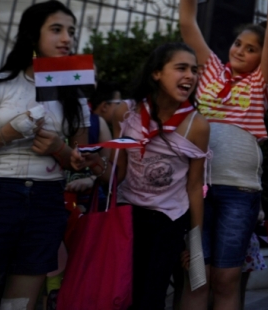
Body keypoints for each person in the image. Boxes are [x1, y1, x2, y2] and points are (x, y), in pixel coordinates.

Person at [179, 0, 268, 310]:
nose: (240, 50)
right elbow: (188, 21)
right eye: (239, 44)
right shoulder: (209, 68)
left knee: (226, 278)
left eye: (250, 48)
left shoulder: (262, 81)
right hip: (196, 188)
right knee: (196, 275)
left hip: (240, 191)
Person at [78, 42, 210, 310]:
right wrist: (95, 166)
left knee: (152, 296)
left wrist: (194, 244)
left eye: (194, 70)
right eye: (181, 68)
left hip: (169, 220)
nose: (190, 76)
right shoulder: (124, 112)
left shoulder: (197, 125)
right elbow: (119, 172)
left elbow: (195, 187)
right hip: (128, 213)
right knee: (124, 290)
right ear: (156, 73)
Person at [0, 0, 89, 310]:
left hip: (46, 199)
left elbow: (80, 161)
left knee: (20, 302)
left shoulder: (75, 95)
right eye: (56, 30)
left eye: (71, 31)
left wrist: (60, 149)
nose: (67, 38)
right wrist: (7, 134)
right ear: (32, 35)